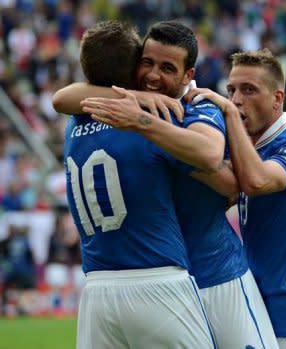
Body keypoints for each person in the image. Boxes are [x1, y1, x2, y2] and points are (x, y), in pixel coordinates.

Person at [54, 20, 278, 349]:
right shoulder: (131, 110)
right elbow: (63, 97)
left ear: (189, 75)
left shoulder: (198, 106)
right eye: (147, 63)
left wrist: (145, 125)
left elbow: (225, 175)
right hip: (160, 276)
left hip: (216, 274)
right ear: (133, 66)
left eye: (167, 68)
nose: (154, 76)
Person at [62, 21, 216, 349]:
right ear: (134, 69)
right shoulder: (154, 118)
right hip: (157, 278)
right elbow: (212, 161)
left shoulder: (74, 122)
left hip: (96, 291)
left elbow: (64, 97)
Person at [185, 49, 286, 349]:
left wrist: (227, 114)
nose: (236, 99)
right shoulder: (242, 146)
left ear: (277, 99)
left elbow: (256, 181)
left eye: (249, 90)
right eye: (231, 90)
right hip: (258, 296)